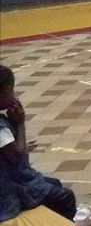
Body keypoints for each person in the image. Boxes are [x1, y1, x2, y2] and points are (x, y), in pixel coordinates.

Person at [0, 65, 77, 223]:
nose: (14, 95)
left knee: (54, 184)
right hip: (7, 194)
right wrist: (19, 123)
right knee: (66, 197)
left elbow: (9, 150)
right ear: (3, 92)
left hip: (8, 180)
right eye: (11, 90)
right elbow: (17, 154)